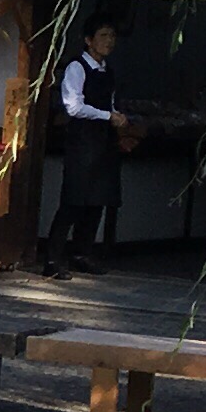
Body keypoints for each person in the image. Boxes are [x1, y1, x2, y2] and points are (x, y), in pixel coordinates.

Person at [44, 18, 136, 276]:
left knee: (98, 200)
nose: (109, 41)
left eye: (112, 36)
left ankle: (81, 253)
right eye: (103, 35)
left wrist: (117, 117)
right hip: (82, 143)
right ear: (88, 40)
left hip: (104, 142)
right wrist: (107, 116)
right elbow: (73, 107)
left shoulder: (107, 71)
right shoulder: (77, 67)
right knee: (73, 200)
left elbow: (109, 102)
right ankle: (52, 260)